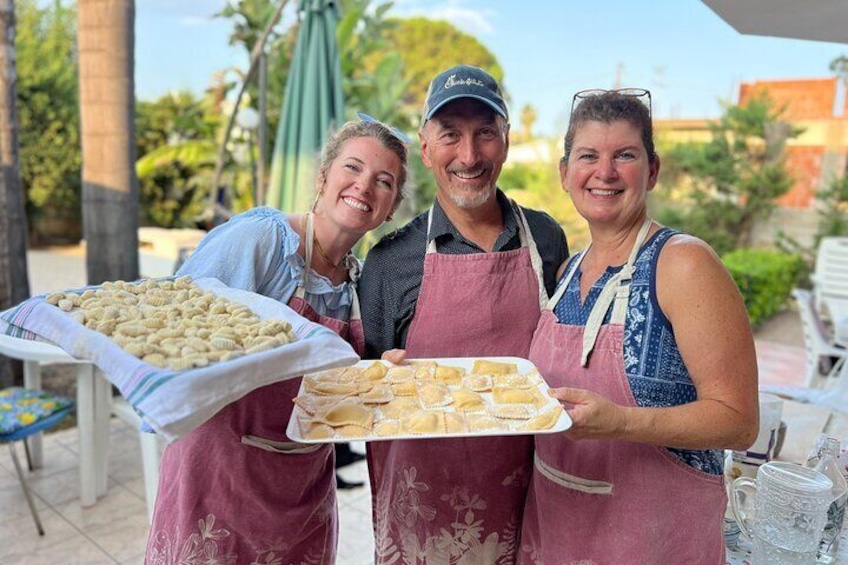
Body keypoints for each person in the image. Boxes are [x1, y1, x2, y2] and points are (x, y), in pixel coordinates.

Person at [144, 115, 408, 564]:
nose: (364, 186)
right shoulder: (263, 240)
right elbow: (172, 325)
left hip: (302, 487)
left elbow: (334, 392)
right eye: (353, 168)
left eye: (383, 181)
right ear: (324, 176)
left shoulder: (357, 285)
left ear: (392, 206)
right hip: (221, 477)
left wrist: (381, 376)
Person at [517, 89, 759, 564]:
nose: (604, 172)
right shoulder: (566, 273)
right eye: (588, 156)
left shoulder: (683, 263)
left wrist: (623, 423)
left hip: (651, 542)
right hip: (556, 532)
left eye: (624, 155)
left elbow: (740, 421)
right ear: (565, 174)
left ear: (652, 171)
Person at [358, 65, 569, 564]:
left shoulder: (547, 239)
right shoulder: (390, 261)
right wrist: (379, 379)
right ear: (426, 148)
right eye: (451, 134)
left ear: (507, 140)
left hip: (531, 503)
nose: (469, 156)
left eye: (485, 134)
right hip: (422, 517)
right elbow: (363, 394)